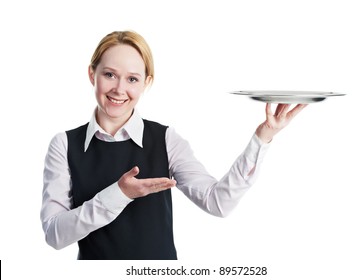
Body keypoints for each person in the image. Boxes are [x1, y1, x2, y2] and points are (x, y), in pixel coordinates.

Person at [40, 30, 307, 260]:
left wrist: (263, 137)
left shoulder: (165, 139)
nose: (119, 89)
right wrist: (118, 194)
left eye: (132, 79)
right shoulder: (64, 144)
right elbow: (54, 234)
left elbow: (218, 203)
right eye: (109, 74)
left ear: (146, 83)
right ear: (92, 74)